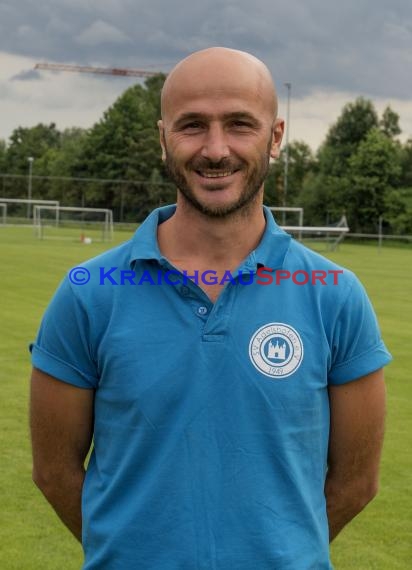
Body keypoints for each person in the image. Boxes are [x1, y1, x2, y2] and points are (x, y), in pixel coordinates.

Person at [30, 47, 391, 569]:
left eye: (240, 124)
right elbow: (54, 472)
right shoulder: (88, 292)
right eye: (192, 125)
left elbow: (356, 483)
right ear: (163, 139)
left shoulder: (334, 293)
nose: (215, 149)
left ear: (276, 137)